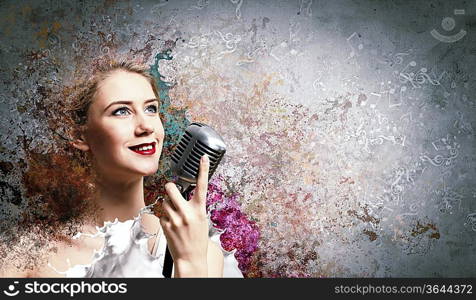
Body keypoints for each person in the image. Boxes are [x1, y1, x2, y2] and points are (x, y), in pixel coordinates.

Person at [2, 59, 226, 277]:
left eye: (151, 109)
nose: (146, 126)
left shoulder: (202, 254)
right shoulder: (25, 256)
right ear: (79, 135)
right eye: (121, 111)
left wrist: (189, 264)